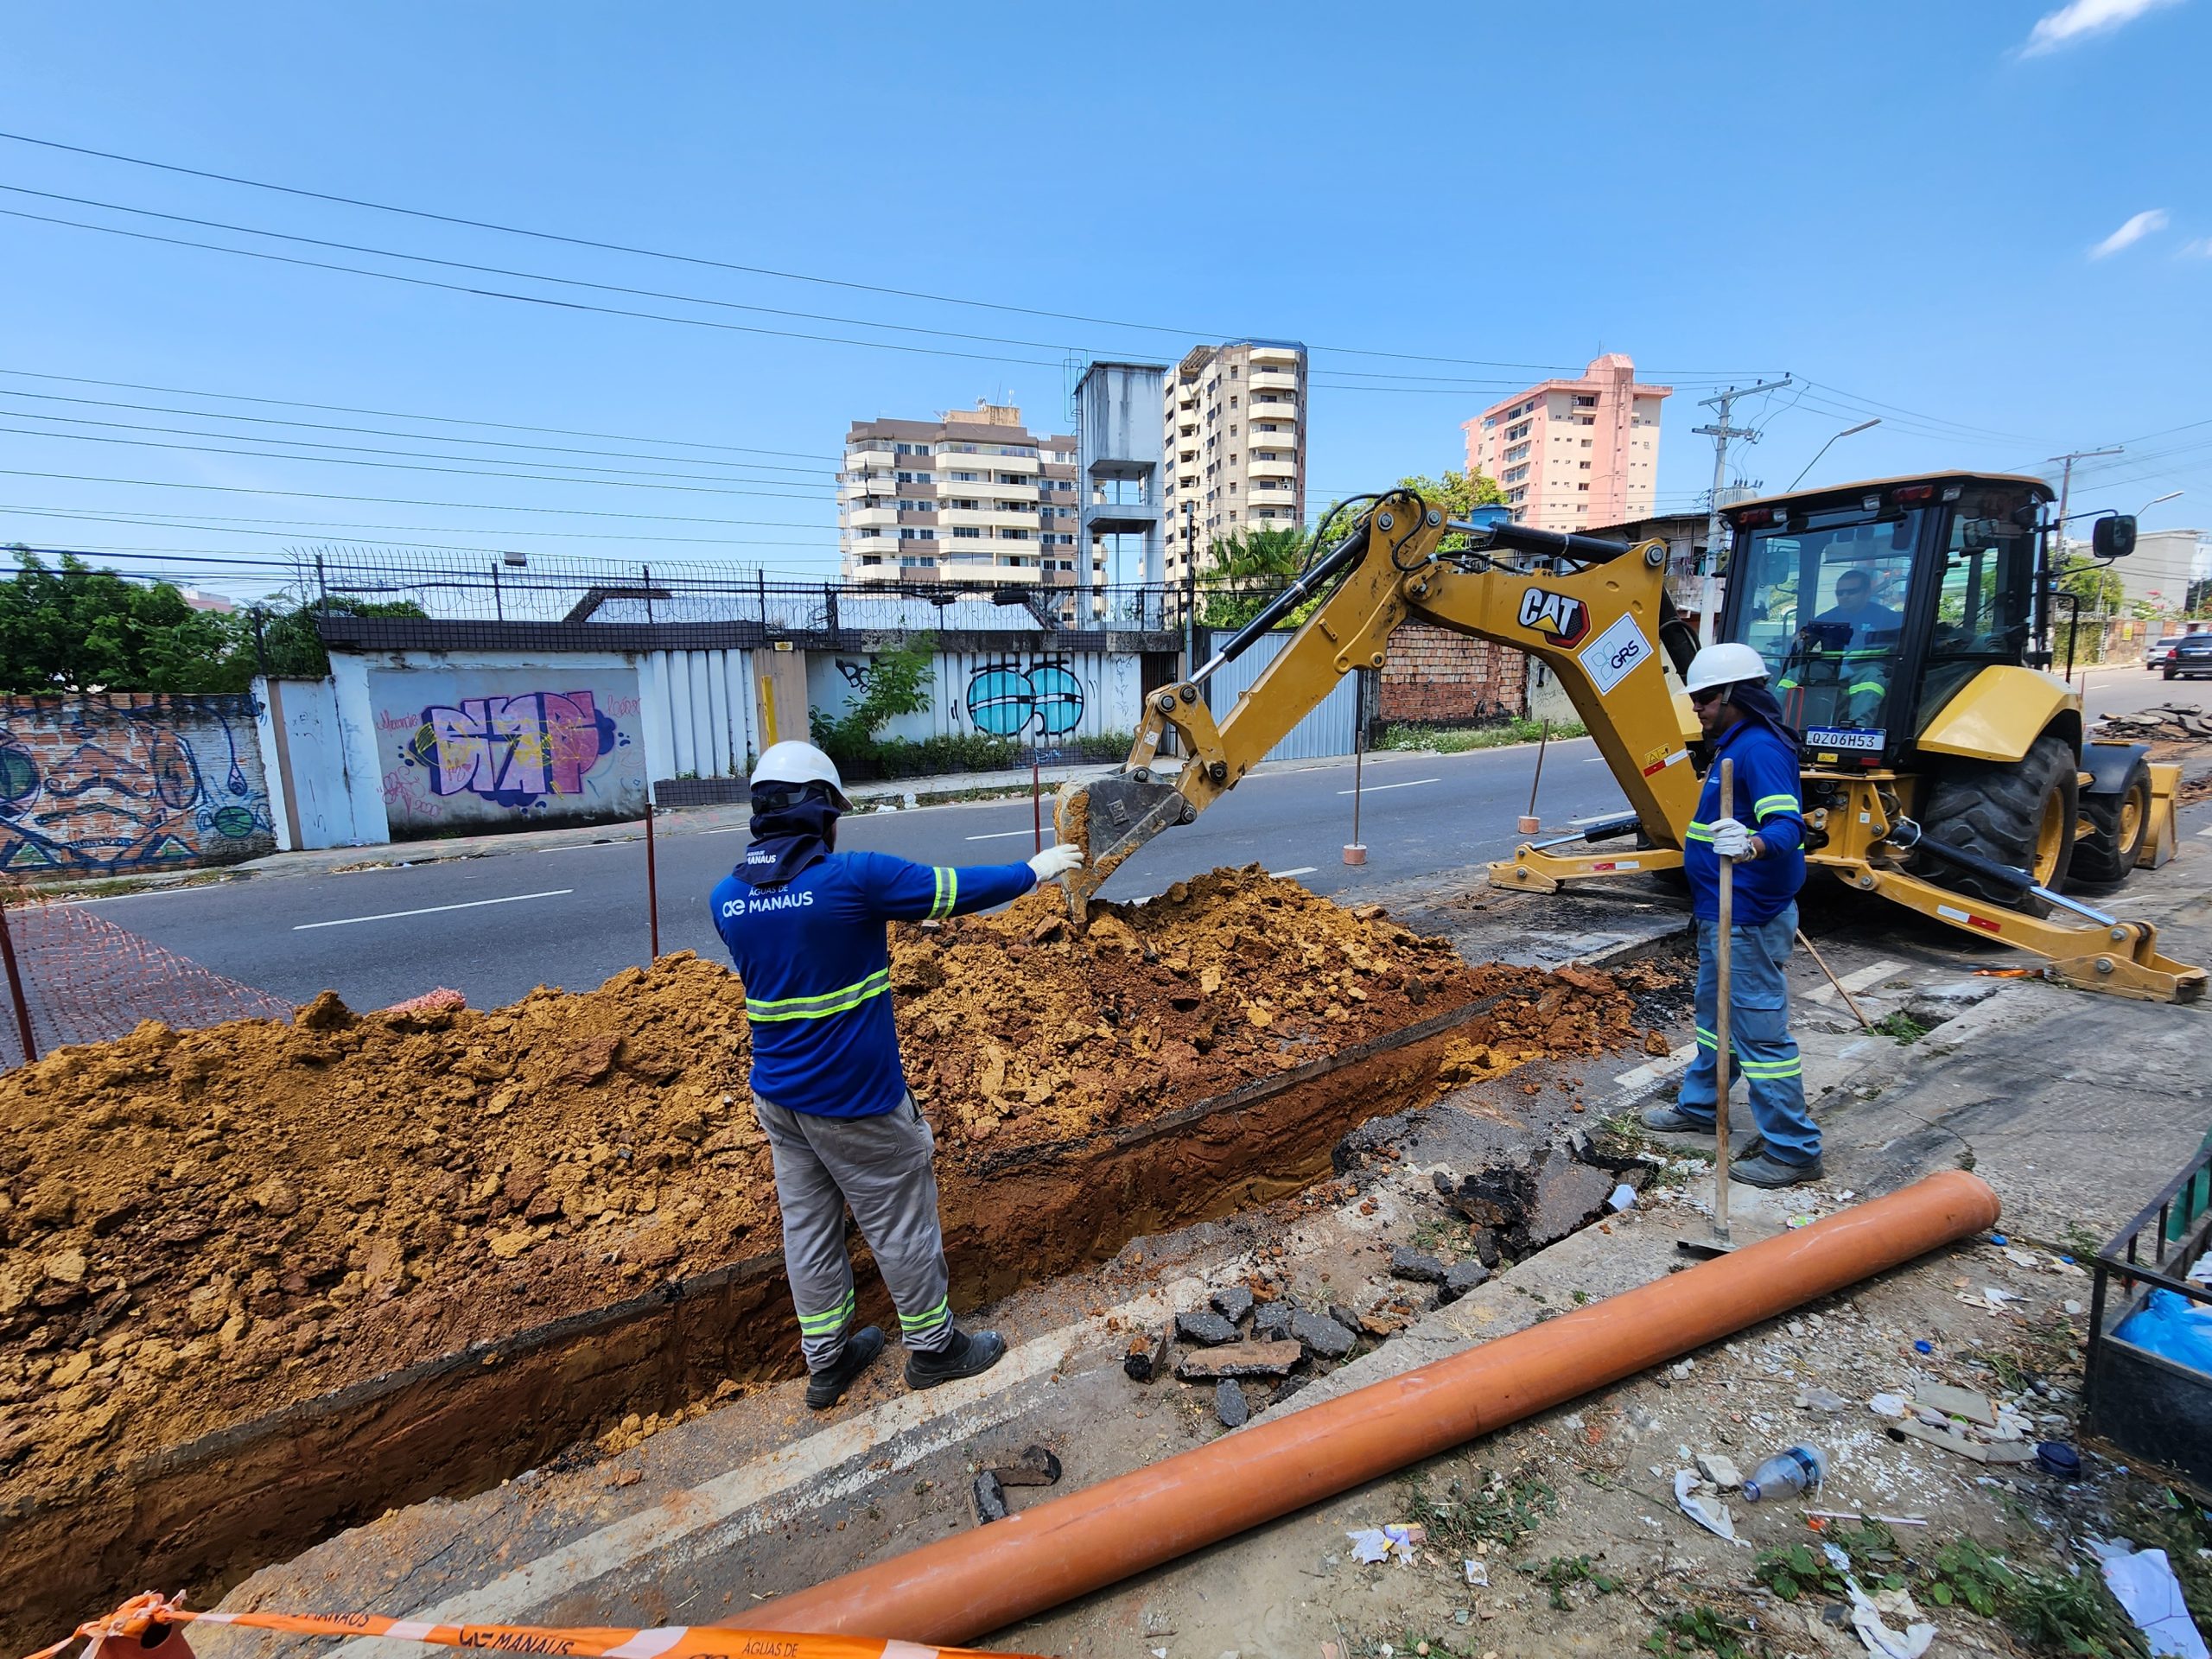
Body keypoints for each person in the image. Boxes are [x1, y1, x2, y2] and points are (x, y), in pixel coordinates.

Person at [710, 740, 1085, 1409]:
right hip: (855, 1101)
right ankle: (936, 1351)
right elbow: (951, 892)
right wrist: (1033, 872)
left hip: (780, 1102)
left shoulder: (727, 900)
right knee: (901, 1222)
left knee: (809, 1228)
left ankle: (826, 1363)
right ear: (819, 812)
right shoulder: (851, 879)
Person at [1642, 642, 1822, 1187]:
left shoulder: (1760, 750)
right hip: (1721, 912)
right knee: (1716, 1022)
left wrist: (1752, 845)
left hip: (1746, 915)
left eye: (1702, 699)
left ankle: (1793, 1148)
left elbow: (1788, 830)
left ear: (1731, 694)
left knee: (1759, 1033)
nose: (1696, 708)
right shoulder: (1735, 744)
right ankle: (1701, 1105)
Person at [1784, 567, 1903, 726]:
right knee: (1793, 675)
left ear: (1867, 592)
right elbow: (1804, 641)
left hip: (1866, 667)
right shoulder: (1827, 618)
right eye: (1840, 593)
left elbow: (1899, 647)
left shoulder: (1888, 618)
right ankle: (1770, 721)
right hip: (1831, 669)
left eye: (1851, 591)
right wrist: (1800, 639)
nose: (1845, 596)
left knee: (1870, 679)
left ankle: (1857, 730)